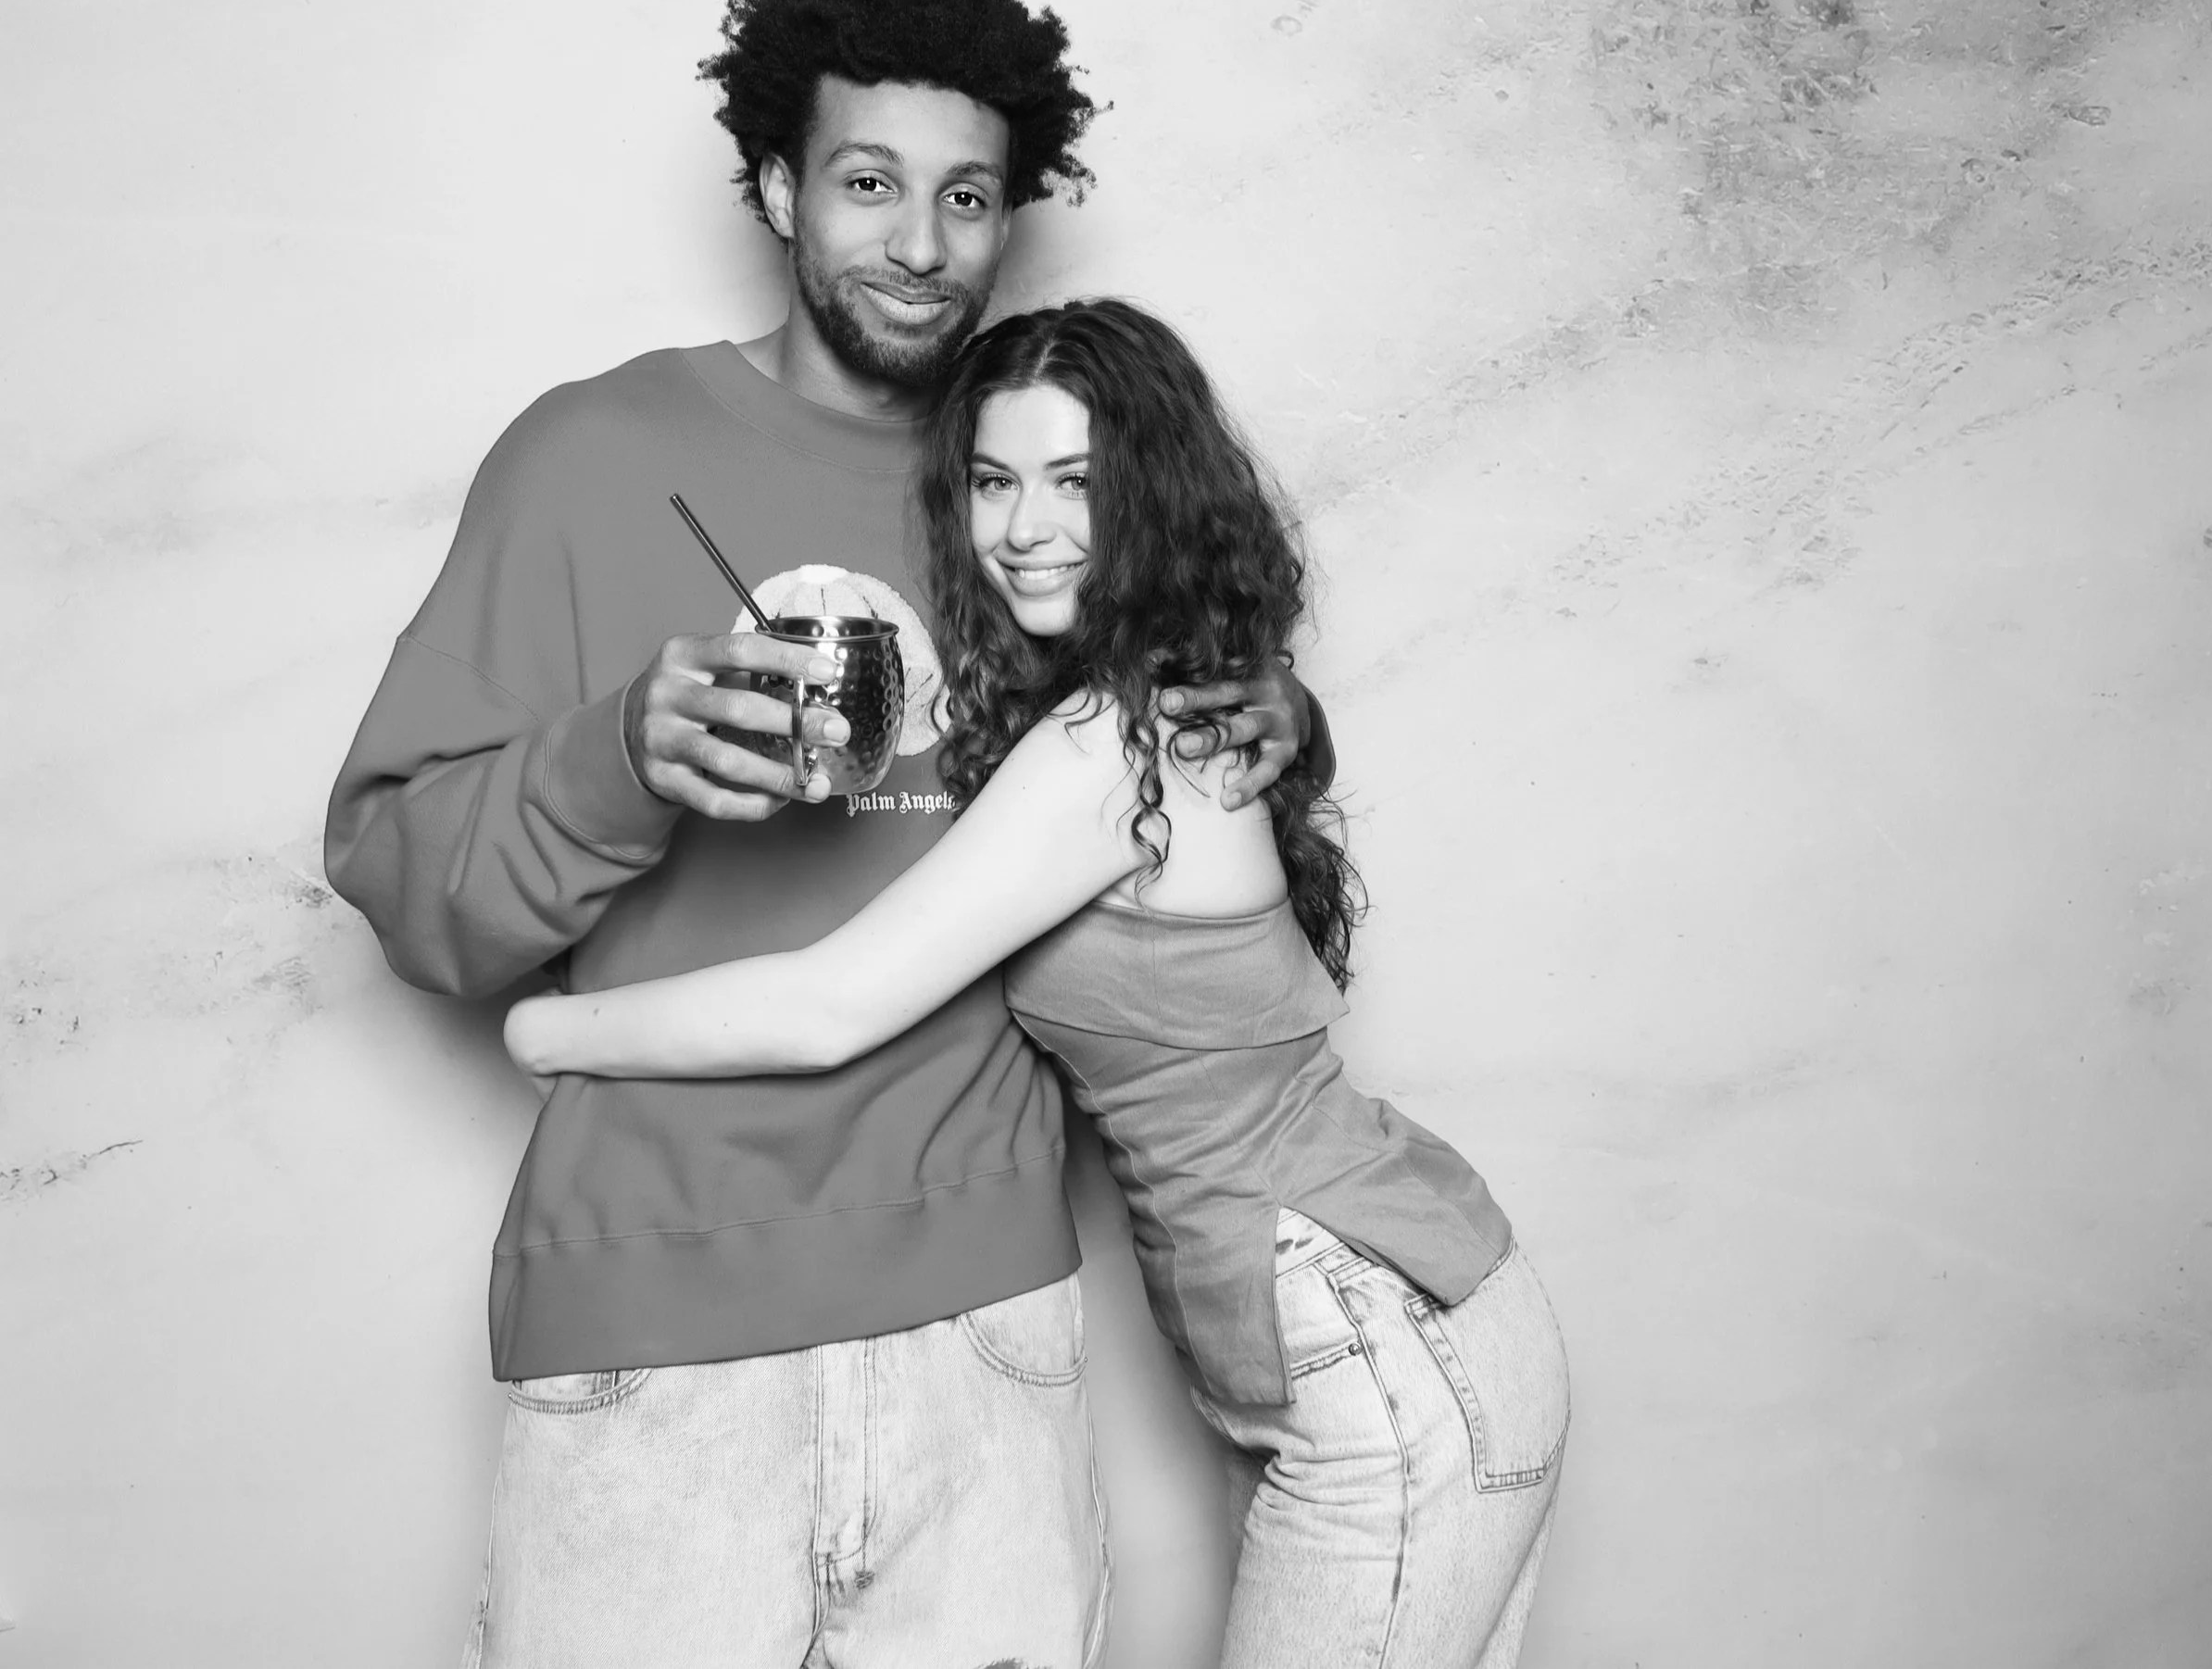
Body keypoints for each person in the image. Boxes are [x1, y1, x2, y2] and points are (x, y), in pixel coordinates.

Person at [322, 0, 1319, 1666]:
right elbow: (408, 894)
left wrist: (1268, 714)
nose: (919, 245)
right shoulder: (591, 456)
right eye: (868, 184)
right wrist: (615, 756)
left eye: (968, 197)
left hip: (988, 1330)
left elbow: (1171, 698)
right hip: (652, 1325)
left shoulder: (1026, 481)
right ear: (779, 184)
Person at [503, 299, 1572, 1669]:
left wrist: (552, 1025)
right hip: (1404, 1325)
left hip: (1385, 1360)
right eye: (995, 482)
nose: (1026, 528)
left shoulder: (1113, 739)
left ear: (1154, 493)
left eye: (1077, 481)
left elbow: (832, 1005)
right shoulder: (1164, 701)